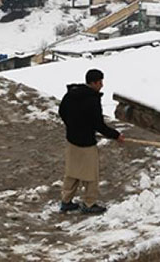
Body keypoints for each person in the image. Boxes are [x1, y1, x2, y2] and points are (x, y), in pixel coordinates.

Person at [57, 68, 123, 214]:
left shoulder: (71, 94)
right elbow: (99, 124)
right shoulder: (92, 100)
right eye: (100, 82)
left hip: (72, 139)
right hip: (86, 142)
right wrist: (116, 135)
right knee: (91, 174)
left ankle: (66, 201)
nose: (102, 85)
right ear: (93, 83)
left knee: (72, 172)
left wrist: (72, 126)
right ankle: (89, 203)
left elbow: (62, 111)